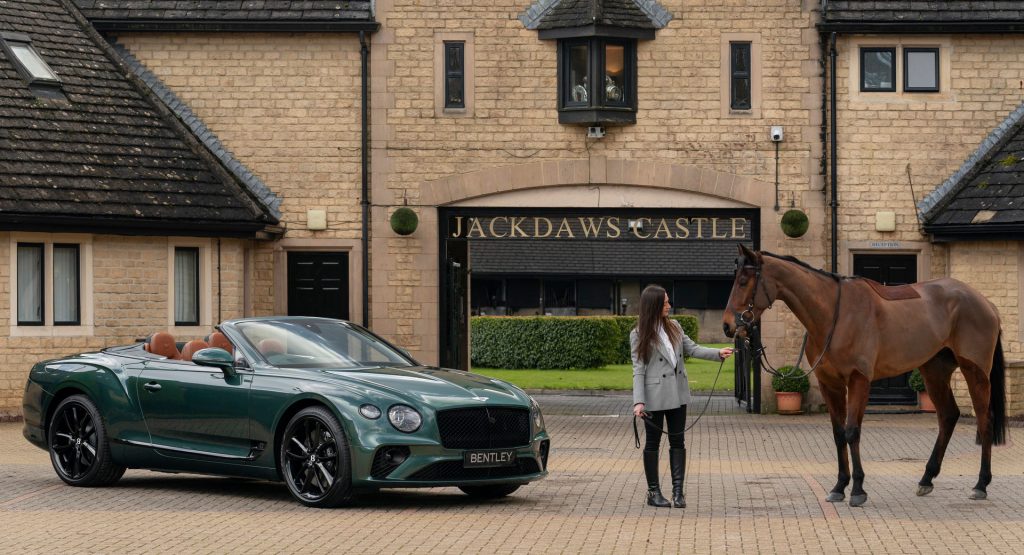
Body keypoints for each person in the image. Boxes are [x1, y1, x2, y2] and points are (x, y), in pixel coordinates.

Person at [631, 284, 733, 508]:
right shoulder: (638, 333)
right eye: (665, 302)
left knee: (678, 440)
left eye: (668, 301)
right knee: (652, 443)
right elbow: (638, 369)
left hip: (678, 394)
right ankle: (653, 493)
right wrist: (639, 402)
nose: (669, 305)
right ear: (654, 305)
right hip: (654, 397)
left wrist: (718, 353)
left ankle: (678, 493)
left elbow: (693, 349)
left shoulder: (675, 327)